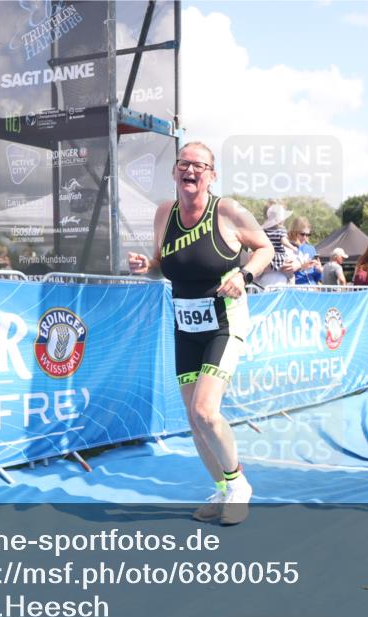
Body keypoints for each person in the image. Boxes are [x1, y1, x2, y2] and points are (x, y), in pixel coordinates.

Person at [127, 141, 274, 525]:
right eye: (184, 164)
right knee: (194, 421)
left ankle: (239, 486)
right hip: (186, 325)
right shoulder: (165, 213)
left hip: (225, 321)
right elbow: (162, 265)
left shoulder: (227, 211)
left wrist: (245, 276)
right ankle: (223, 489)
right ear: (174, 171)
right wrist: (147, 266)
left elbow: (265, 249)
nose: (190, 170)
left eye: (199, 166)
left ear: (211, 175)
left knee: (205, 411)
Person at [257, 202, 297, 287]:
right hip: (264, 289)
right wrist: (278, 267)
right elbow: (254, 268)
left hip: (283, 290)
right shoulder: (259, 239)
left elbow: (293, 267)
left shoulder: (263, 233)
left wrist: (297, 265)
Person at [288, 216, 322, 285]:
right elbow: (286, 272)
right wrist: (301, 266)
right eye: (302, 234)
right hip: (296, 288)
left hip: (312, 288)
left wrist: (319, 270)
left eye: (307, 235)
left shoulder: (311, 249)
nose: (305, 237)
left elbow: (317, 278)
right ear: (294, 232)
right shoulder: (288, 247)